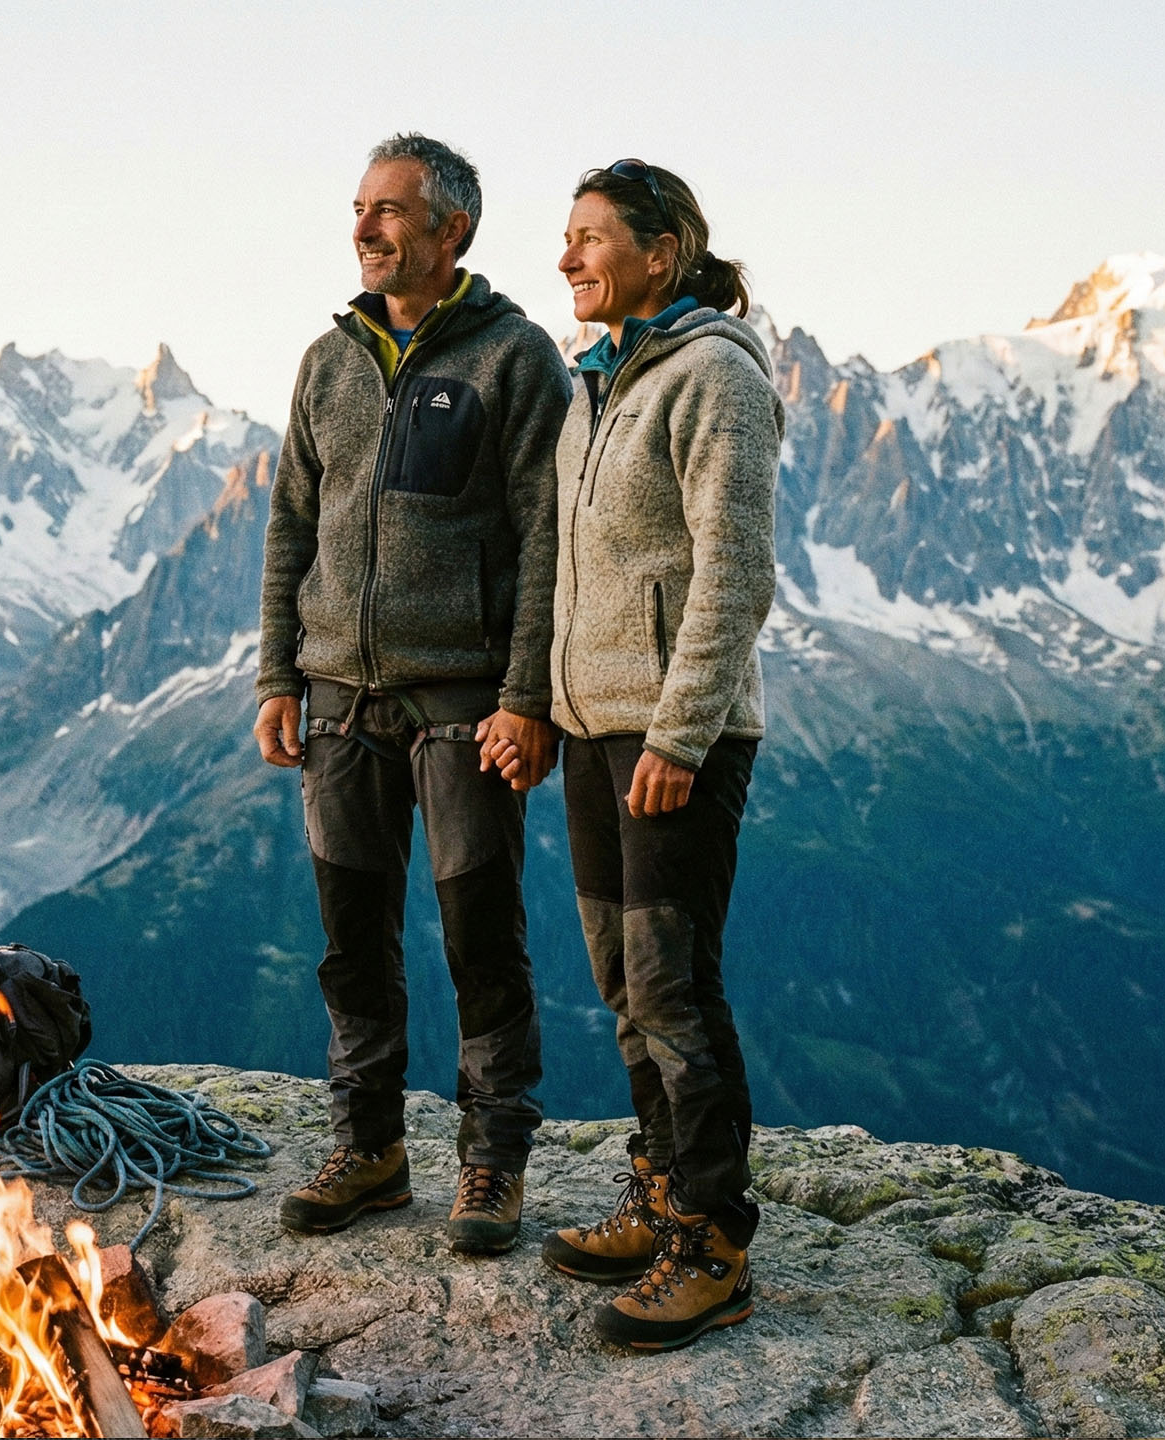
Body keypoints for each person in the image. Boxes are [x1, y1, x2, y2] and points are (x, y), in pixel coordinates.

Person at [254, 133, 569, 1256]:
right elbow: (292, 520)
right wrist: (278, 674)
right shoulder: (325, 361)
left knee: (481, 934)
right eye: (358, 207)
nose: (365, 228)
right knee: (351, 937)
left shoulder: (516, 358)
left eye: (390, 211)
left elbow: (546, 538)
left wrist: (527, 694)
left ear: (452, 232)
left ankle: (492, 1162)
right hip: (339, 695)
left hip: (464, 701)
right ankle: (370, 1146)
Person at [490, 159, 780, 1349]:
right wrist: (546, 705)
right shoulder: (596, 386)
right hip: (600, 727)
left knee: (672, 985)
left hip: (673, 738)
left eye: (591, 238)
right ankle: (660, 1193)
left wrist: (680, 729)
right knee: (621, 983)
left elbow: (733, 570)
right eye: (563, 238)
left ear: (662, 253)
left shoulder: (712, 376)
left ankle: (711, 1241)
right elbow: (564, 565)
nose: (566, 258)